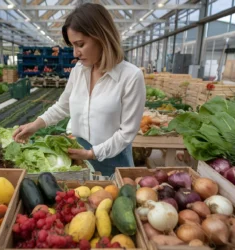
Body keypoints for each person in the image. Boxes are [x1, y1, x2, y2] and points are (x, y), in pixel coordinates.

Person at [13, 3, 146, 176]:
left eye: (80, 44)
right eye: (72, 46)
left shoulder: (131, 76)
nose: (75, 53)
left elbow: (127, 133)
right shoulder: (79, 71)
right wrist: (35, 125)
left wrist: (92, 154)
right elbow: (63, 106)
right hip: (79, 156)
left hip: (114, 160)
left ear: (102, 38)